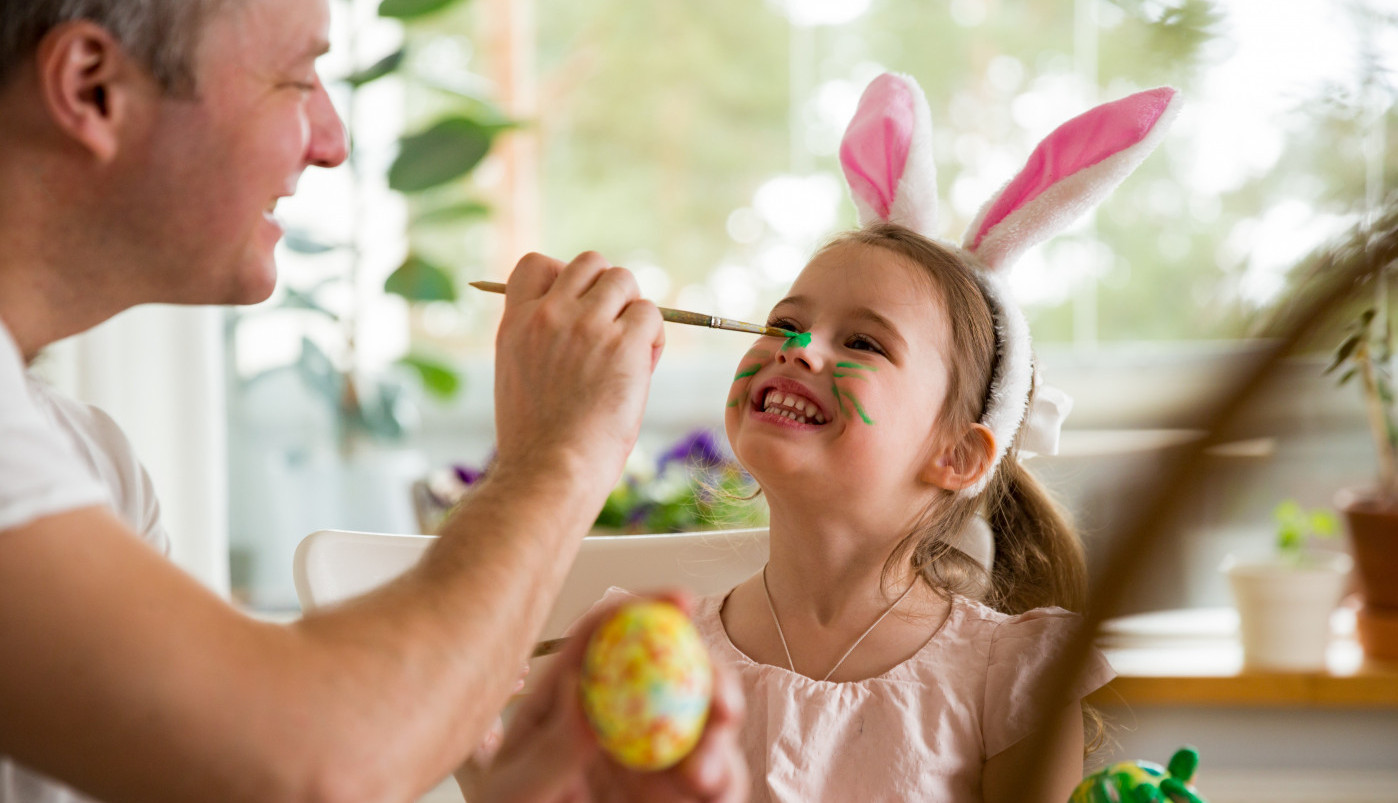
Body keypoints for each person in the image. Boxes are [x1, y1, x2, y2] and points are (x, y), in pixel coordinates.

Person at [0, 1, 746, 802]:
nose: (332, 143)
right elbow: (312, 757)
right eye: (295, 80)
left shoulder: (91, 464)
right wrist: (562, 453)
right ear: (92, 87)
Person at [580, 73, 1181, 801]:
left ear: (956, 453)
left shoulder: (1010, 676)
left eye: (862, 341)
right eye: (783, 322)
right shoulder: (654, 655)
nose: (798, 348)